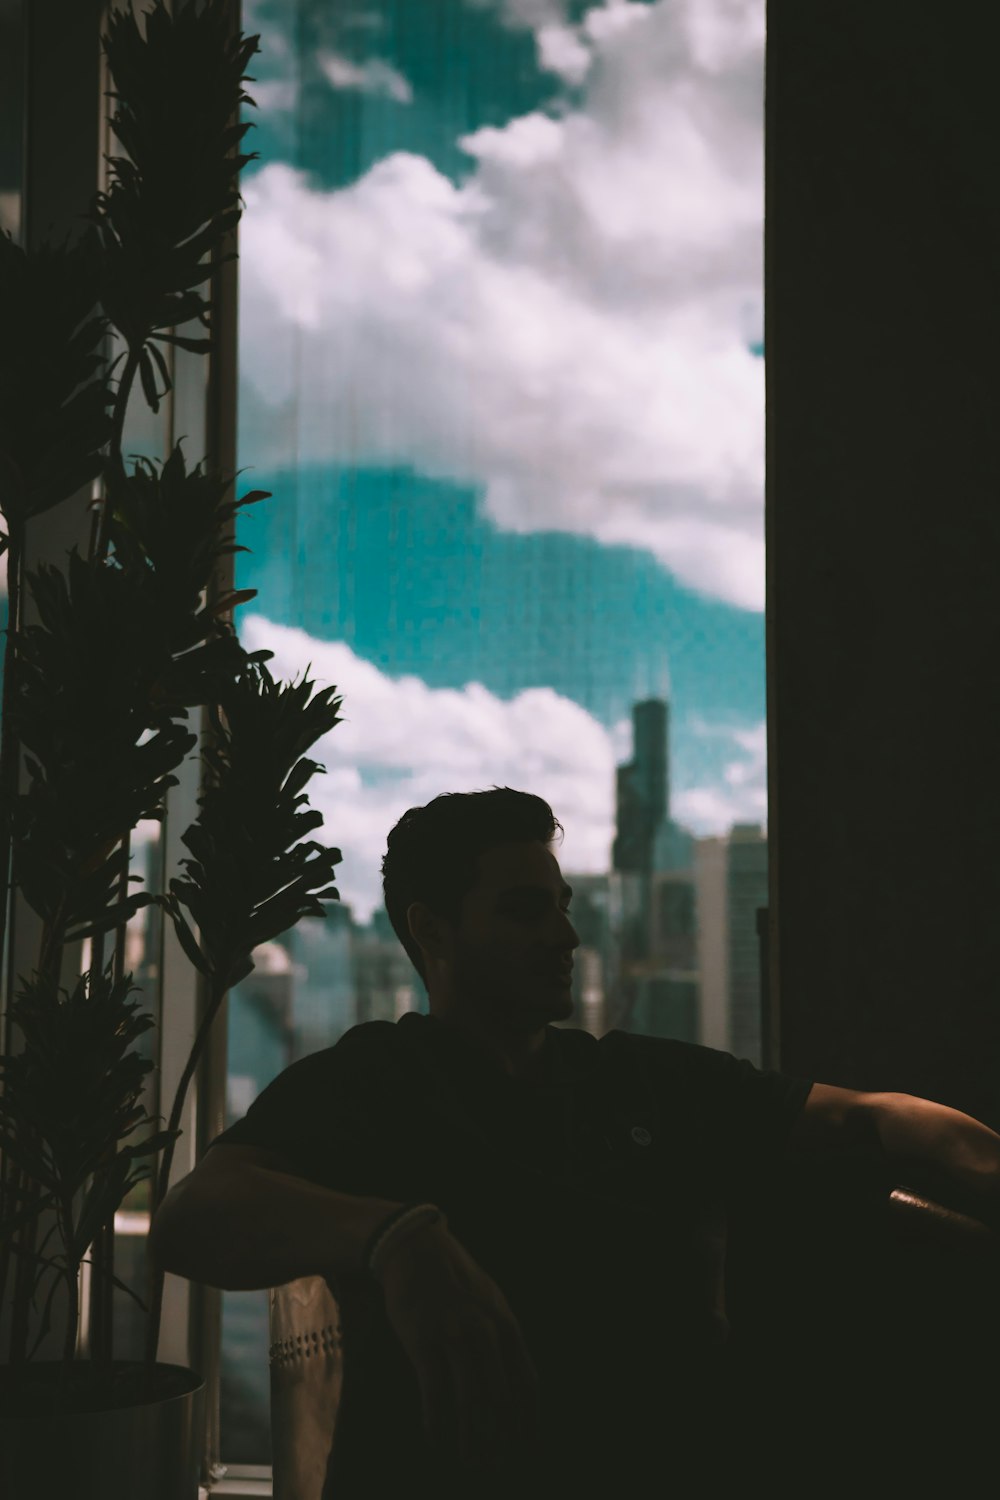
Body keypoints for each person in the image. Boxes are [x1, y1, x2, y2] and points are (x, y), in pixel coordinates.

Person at [150, 787, 1000, 1498]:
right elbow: (192, 1217)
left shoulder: (653, 1080)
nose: (564, 936)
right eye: (524, 910)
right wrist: (390, 1236)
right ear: (433, 932)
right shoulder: (377, 1080)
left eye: (562, 907)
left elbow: (877, 1118)